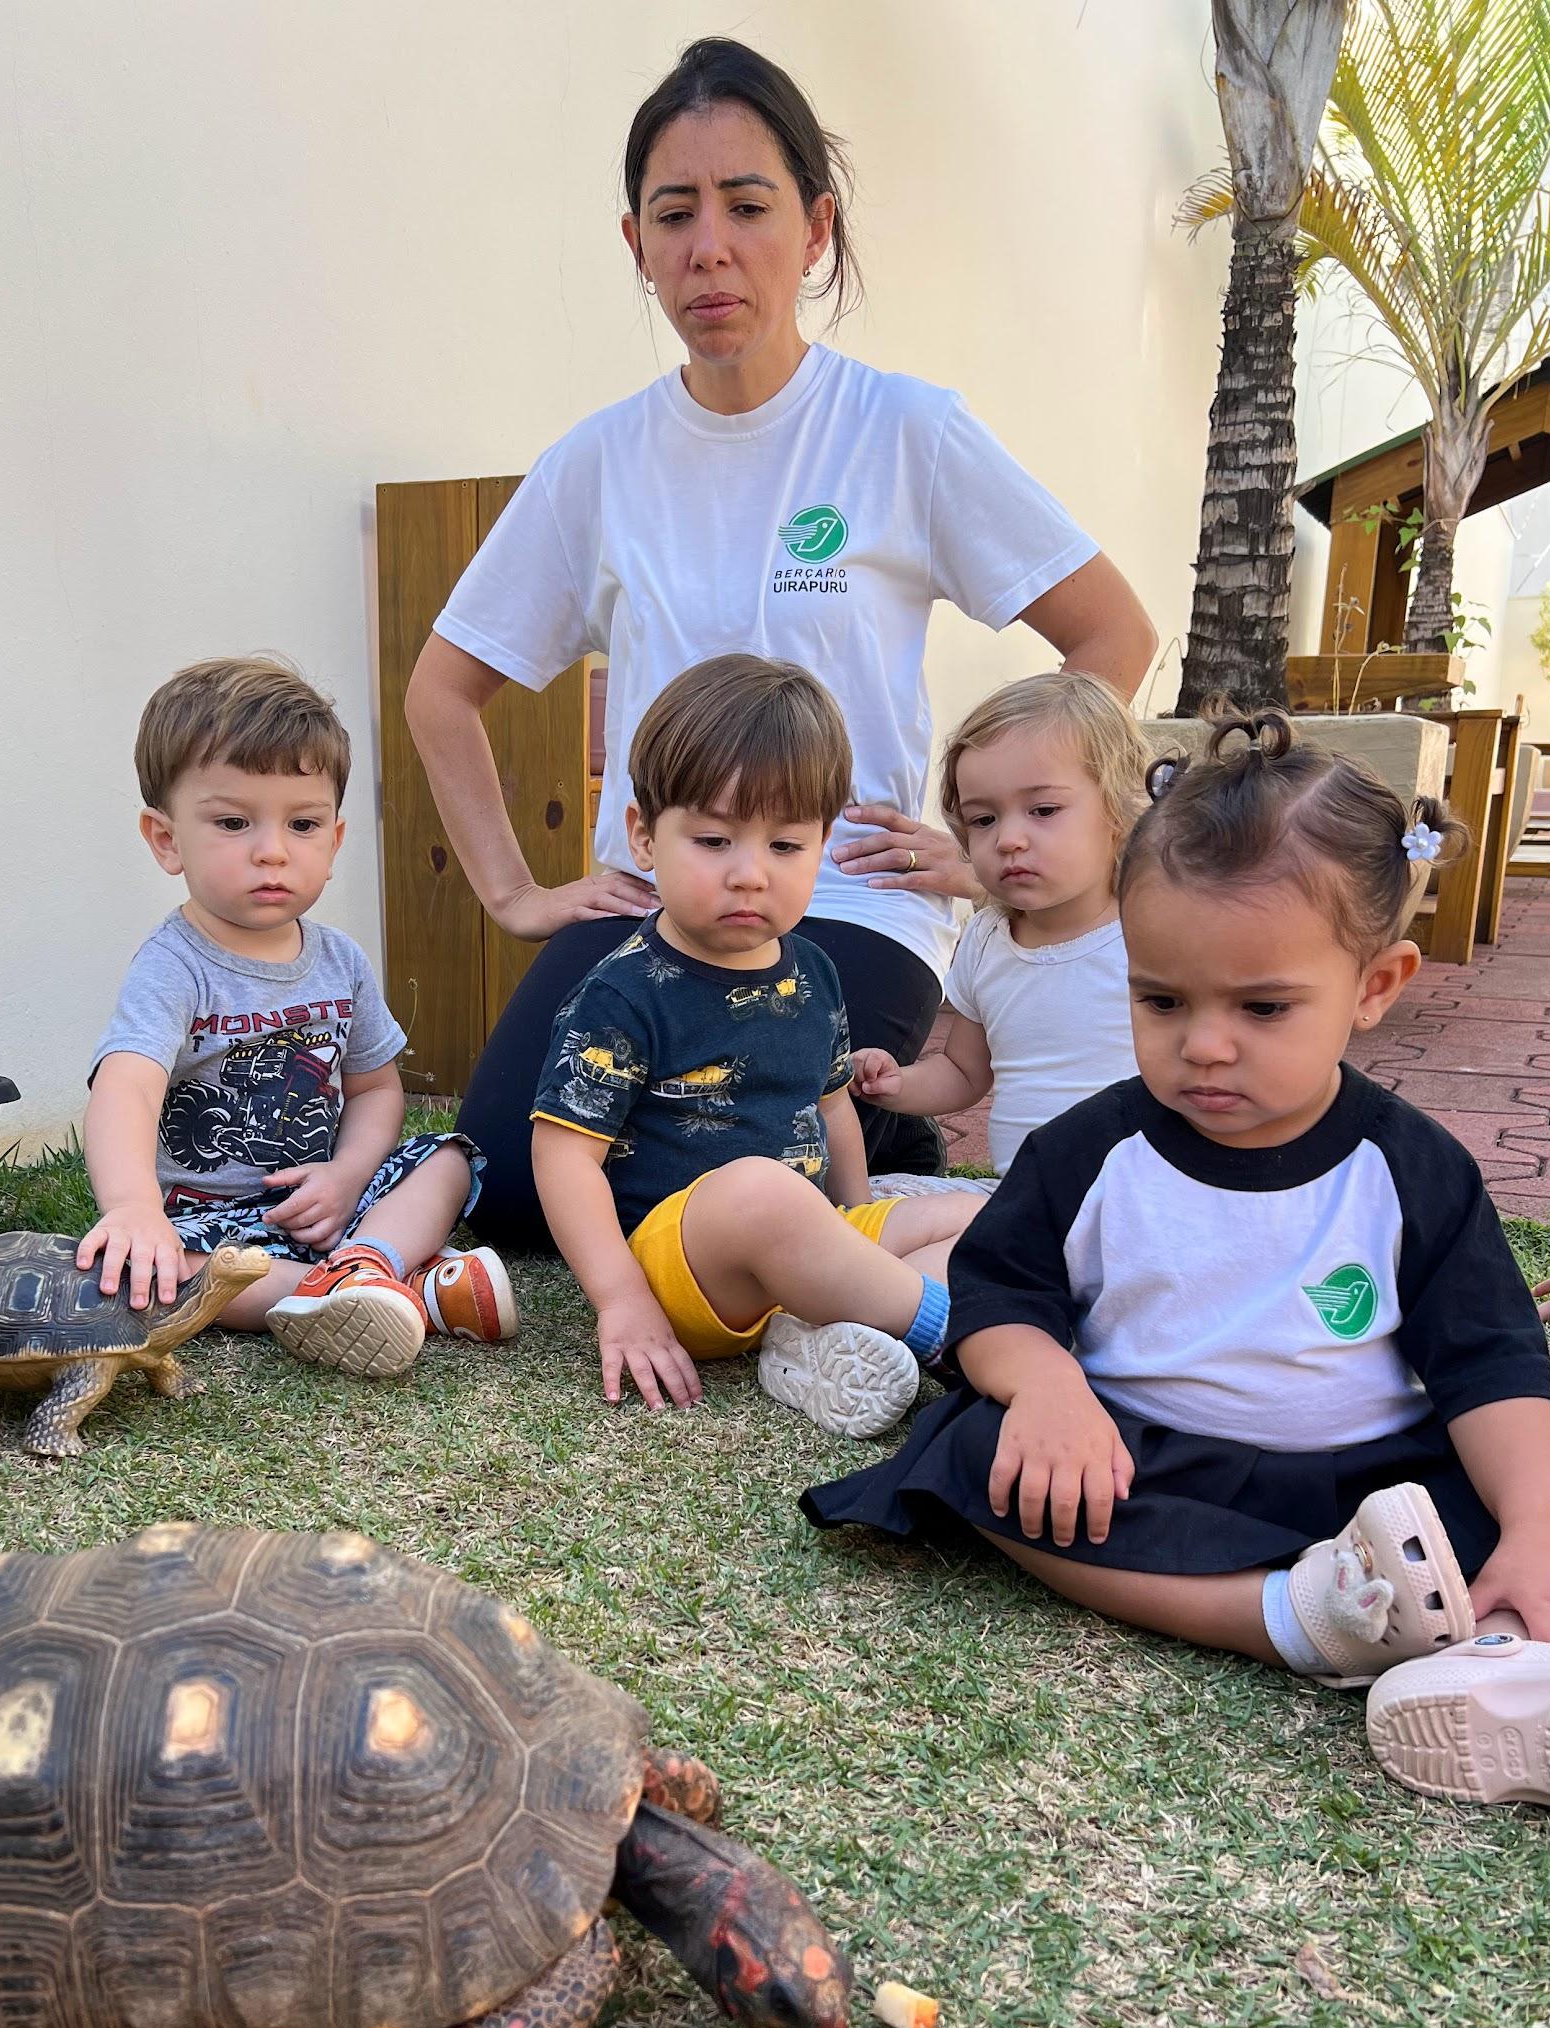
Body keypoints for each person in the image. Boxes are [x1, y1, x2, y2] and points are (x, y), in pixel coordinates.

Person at [406, 36, 1156, 1247]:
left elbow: (1111, 633)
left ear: (814, 229)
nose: (709, 246)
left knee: (732, 1181)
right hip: (658, 893)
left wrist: (988, 843)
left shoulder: (905, 431)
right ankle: (878, 1133)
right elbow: (443, 690)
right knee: (512, 1186)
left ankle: (863, 1125)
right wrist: (515, 893)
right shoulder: (598, 461)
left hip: (850, 899)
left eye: (747, 206)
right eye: (674, 213)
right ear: (636, 244)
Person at [804, 712, 1550, 1823]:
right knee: (977, 1454)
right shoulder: (1089, 1150)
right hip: (1147, 1464)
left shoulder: (1412, 1169)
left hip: (1381, 1482)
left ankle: (1510, 1654)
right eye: (1161, 999)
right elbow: (996, 1294)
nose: (1204, 1044)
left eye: (1262, 1007)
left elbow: (1490, 1365)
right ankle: (1293, 1620)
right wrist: (1048, 1390)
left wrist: (1541, 1524)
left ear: (1376, 985)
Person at [532, 655, 970, 1437]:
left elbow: (830, 1106)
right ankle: (954, 1335)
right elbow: (563, 1157)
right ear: (643, 837)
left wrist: (857, 1216)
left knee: (968, 1216)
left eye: (785, 846)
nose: (749, 875)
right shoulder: (623, 993)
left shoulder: (816, 971)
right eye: (713, 839)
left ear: (822, 844)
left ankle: (820, 1334)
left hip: (798, 1242)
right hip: (682, 1265)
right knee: (760, 1191)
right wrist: (621, 1298)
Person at [80, 656, 515, 1378]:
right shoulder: (174, 967)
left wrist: (347, 1175)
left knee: (445, 1159)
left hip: (327, 1203)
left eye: (303, 823)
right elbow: (125, 1086)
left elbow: (376, 1089)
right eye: (232, 822)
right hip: (207, 1223)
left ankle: (368, 1265)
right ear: (166, 839)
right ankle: (402, 1292)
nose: (273, 852)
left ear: (334, 842)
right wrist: (132, 1207)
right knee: (176, 1277)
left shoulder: (341, 961)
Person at [850, 673, 1148, 1202]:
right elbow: (964, 1072)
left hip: (1138, 1198)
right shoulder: (988, 939)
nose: (1008, 839)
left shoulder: (1150, 932)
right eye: (983, 819)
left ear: (1119, 809)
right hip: (1020, 1199)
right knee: (875, 1205)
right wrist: (895, 1084)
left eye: (1043, 811)